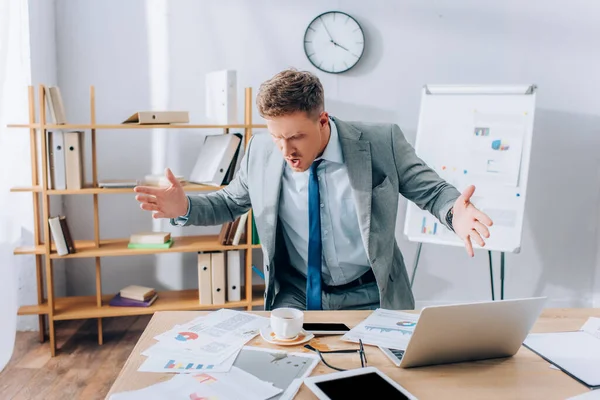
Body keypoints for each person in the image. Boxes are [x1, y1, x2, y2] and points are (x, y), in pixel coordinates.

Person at [134, 69, 493, 311]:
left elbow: (432, 191)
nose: (286, 151)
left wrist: (454, 213)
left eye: (295, 137)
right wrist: (184, 207)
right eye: (277, 138)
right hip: (296, 295)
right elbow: (230, 202)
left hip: (373, 293)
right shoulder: (260, 152)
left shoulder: (381, 141)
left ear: (322, 120)